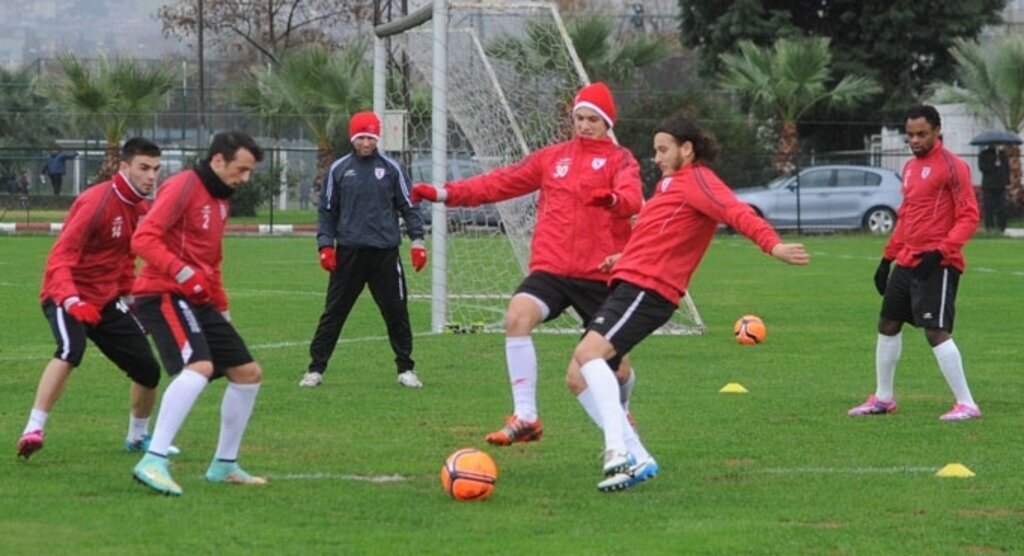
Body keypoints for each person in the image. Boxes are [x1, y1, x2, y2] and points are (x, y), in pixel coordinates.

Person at [569, 114, 809, 492]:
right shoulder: (669, 184)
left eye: (663, 150)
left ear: (687, 148)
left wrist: (772, 245)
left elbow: (736, 212)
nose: (657, 157)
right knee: (576, 376)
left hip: (649, 289)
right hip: (631, 280)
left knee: (589, 356)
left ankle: (618, 452)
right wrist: (623, 257)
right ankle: (640, 458)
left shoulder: (699, 181)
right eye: (654, 151)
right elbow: (654, 232)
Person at [412, 82, 646, 446]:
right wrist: (445, 193)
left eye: (593, 120)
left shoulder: (621, 160)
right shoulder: (552, 158)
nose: (584, 125)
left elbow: (634, 199)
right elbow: (500, 183)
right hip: (552, 268)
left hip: (601, 274)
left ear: (607, 124)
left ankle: (622, 408)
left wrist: (615, 199)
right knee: (518, 315)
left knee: (616, 368)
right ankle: (526, 415)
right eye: (579, 118)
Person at [130, 131, 266, 496]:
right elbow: (143, 238)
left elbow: (212, 259)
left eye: (250, 171)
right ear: (218, 160)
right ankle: (153, 459)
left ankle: (224, 465)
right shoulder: (183, 187)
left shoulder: (222, 201)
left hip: (200, 300)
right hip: (163, 294)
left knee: (248, 374)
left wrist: (222, 308)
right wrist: (181, 271)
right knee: (199, 367)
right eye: (242, 169)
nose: (245, 179)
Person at [17, 138, 170, 460]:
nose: (151, 176)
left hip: (106, 299)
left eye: (156, 169)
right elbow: (60, 258)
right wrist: (72, 301)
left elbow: (126, 262)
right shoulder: (96, 202)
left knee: (148, 370)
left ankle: (137, 438)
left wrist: (134, 304)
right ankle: (33, 428)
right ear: (123, 167)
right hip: (65, 293)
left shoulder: (142, 209)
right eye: (143, 168)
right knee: (72, 350)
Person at [850, 104, 981, 421]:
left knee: (935, 330)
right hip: (907, 259)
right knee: (888, 323)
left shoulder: (954, 167)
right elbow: (907, 215)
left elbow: (969, 216)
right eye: (910, 135)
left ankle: (967, 403)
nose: (915, 140)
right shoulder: (909, 168)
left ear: (937, 131)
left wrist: (942, 251)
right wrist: (887, 258)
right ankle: (883, 399)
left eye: (922, 134)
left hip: (939, 262)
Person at [298, 111, 428, 389]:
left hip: (385, 255)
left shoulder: (393, 169)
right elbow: (327, 211)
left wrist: (418, 242)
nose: (366, 143)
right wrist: (325, 246)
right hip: (349, 254)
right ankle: (315, 369)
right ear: (353, 138)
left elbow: (409, 206)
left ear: (377, 138)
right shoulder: (339, 169)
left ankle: (406, 368)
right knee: (334, 312)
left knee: (396, 312)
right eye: (361, 137)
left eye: (370, 137)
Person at [978, 144, 1009, 232]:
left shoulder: (1002, 154)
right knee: (988, 207)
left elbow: (1006, 169)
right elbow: (982, 168)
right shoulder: (983, 154)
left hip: (1000, 185)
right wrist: (993, 165)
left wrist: (1007, 181)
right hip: (988, 185)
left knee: (1002, 206)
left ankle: (1001, 226)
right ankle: (989, 226)